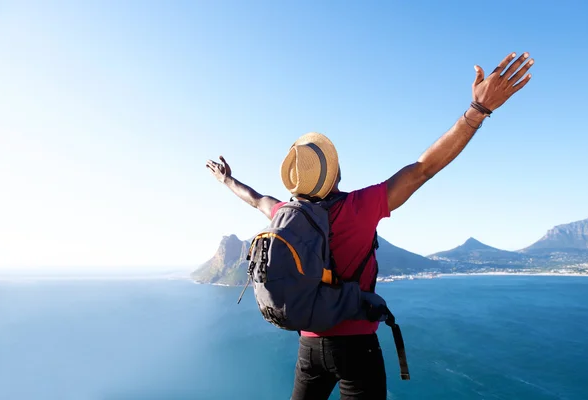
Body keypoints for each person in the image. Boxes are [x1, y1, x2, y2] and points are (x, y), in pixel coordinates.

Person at [206, 51, 534, 400]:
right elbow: (424, 168)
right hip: (356, 347)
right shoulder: (360, 207)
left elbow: (256, 198)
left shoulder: (286, 213)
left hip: (309, 347)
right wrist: (477, 111)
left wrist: (227, 180)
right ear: (335, 173)